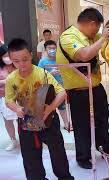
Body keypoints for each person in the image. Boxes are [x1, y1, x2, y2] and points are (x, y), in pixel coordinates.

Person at [5, 38, 73, 180]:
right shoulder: (11, 78)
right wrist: (17, 108)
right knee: (30, 158)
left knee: (58, 153)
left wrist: (50, 108)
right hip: (26, 122)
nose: (22, 64)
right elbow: (8, 100)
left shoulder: (42, 73)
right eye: (16, 61)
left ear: (31, 55)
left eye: (25, 59)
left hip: (49, 120)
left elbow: (62, 93)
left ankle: (65, 177)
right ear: (10, 60)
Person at [56, 8, 109, 169]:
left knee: (102, 121)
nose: (97, 32)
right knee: (82, 125)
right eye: (97, 27)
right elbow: (83, 55)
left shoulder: (90, 37)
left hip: (95, 87)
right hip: (79, 92)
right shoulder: (69, 37)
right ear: (91, 23)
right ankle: (83, 157)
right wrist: (102, 39)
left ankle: (105, 148)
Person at [38, 40, 72, 131]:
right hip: (47, 89)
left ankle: (66, 123)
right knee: (48, 107)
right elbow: (39, 77)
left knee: (62, 107)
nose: (52, 50)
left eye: (54, 48)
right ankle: (45, 123)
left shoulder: (60, 60)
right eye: (50, 48)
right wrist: (50, 74)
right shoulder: (42, 62)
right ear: (45, 49)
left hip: (60, 88)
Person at [0, 44, 18, 151]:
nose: (8, 58)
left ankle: (27, 138)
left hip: (20, 97)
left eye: (10, 55)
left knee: (23, 118)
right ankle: (13, 140)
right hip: (4, 97)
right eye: (5, 55)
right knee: (8, 120)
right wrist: (4, 81)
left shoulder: (18, 64)